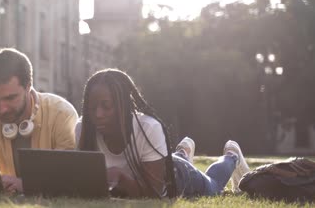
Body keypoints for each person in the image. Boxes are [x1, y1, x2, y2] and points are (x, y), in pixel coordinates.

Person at [76, 69, 250, 198]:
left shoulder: (148, 128)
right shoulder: (84, 128)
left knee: (213, 187)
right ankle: (182, 152)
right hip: (159, 161)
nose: (98, 114)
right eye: (92, 108)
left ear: (123, 105)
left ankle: (232, 156)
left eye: (106, 106)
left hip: (176, 174)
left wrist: (121, 177)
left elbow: (155, 193)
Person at [0, 48, 78, 193]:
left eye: (10, 98)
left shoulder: (62, 114)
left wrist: (26, 185)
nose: (1, 109)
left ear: (28, 86)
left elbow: (69, 176)